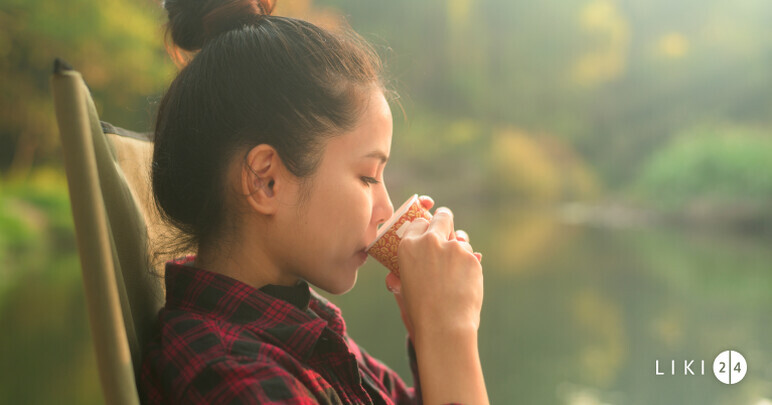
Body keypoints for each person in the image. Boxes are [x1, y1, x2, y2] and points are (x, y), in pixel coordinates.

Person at [139, 0, 488, 403]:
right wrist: (450, 333)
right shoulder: (232, 375)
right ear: (266, 181)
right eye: (368, 176)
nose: (386, 211)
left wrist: (430, 326)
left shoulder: (301, 325)